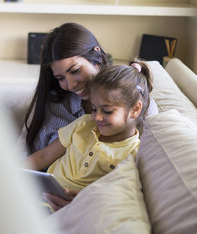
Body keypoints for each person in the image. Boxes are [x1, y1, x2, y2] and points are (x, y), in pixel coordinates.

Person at [27, 62, 153, 211]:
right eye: (94, 108)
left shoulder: (133, 154)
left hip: (74, 211)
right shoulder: (84, 124)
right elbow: (45, 155)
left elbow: (116, 199)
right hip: (39, 196)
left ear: (135, 109)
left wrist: (82, 201)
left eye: (107, 111)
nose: (97, 117)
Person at [21, 22, 158, 157]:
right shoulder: (53, 100)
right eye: (60, 78)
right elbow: (26, 152)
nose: (71, 85)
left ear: (96, 55)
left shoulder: (135, 100)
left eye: (75, 70)